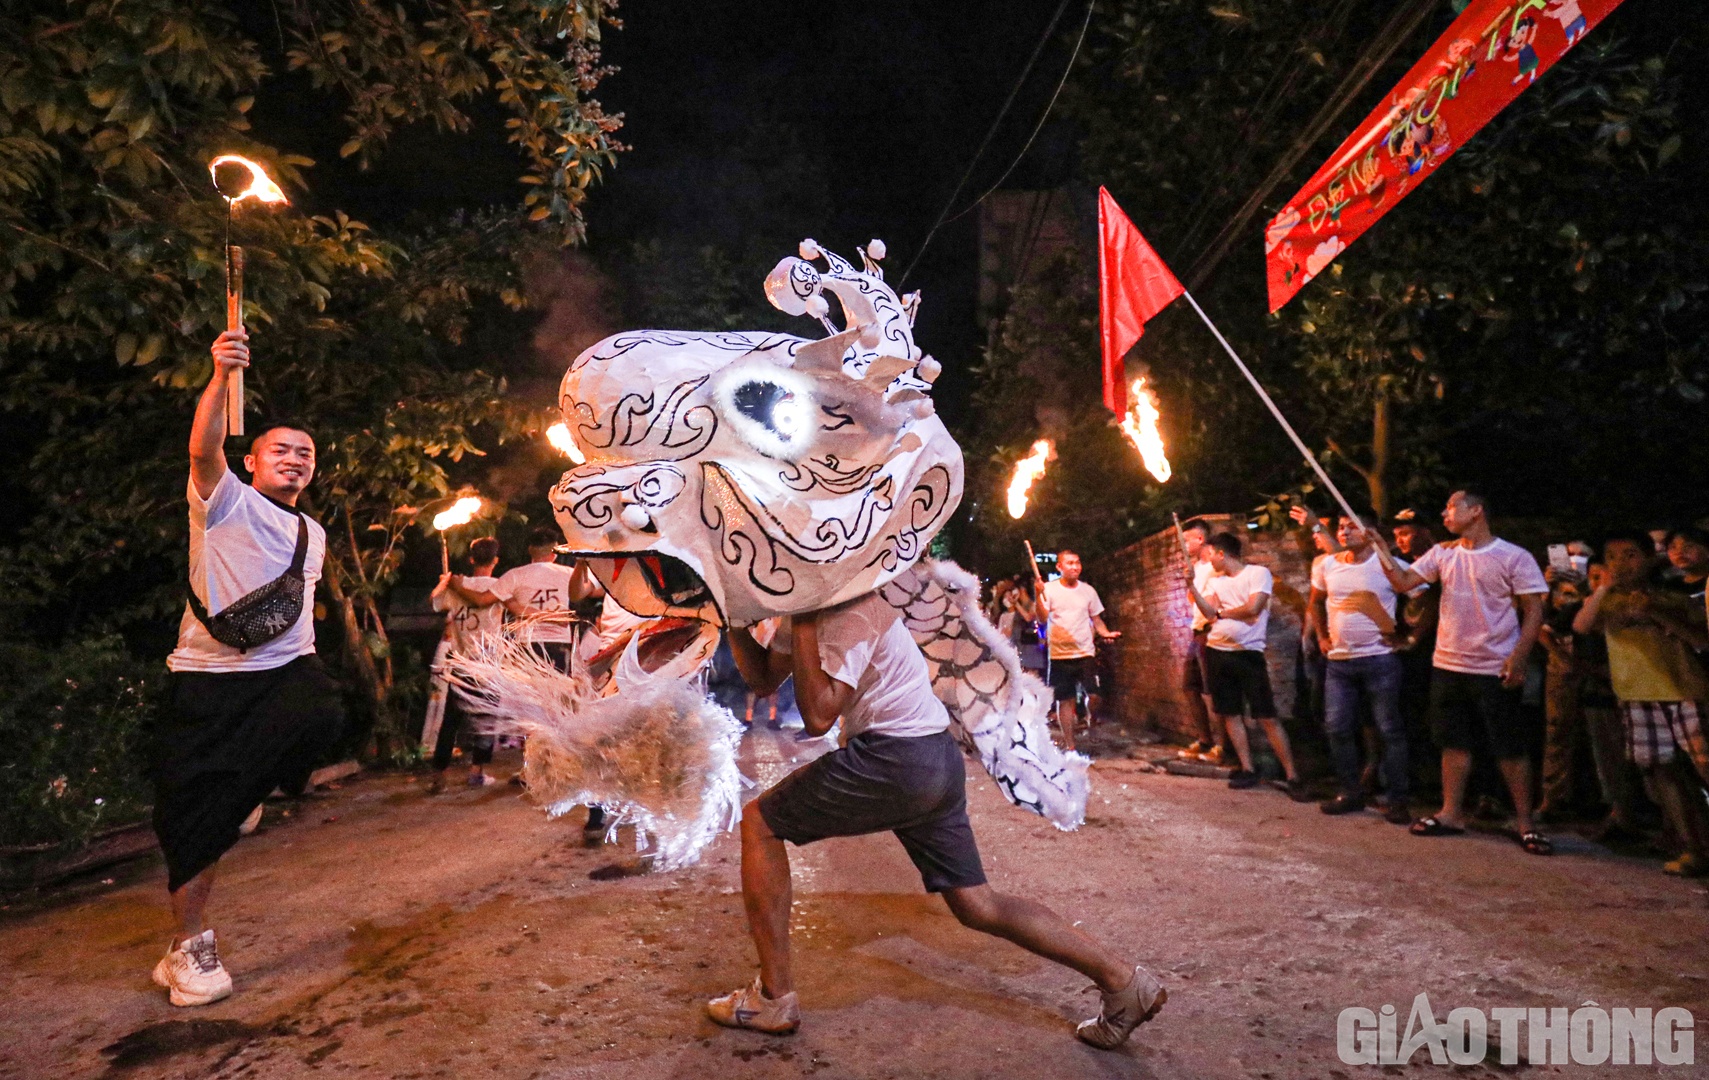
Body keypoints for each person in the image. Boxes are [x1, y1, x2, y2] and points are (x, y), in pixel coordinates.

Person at [711, 595, 1164, 1048]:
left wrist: (805, 616)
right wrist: (730, 618)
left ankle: (773, 998)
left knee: (760, 822)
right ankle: (1125, 981)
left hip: (895, 757)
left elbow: (818, 715)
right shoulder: (812, 604)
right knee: (978, 905)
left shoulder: (852, 608)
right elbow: (766, 679)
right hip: (931, 756)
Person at [150, 329, 344, 1007]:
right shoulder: (225, 500)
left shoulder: (310, 532)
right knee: (196, 828)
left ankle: (256, 783)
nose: (295, 459)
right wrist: (218, 373)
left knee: (325, 711)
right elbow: (203, 448)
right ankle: (188, 948)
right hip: (205, 684)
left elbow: (302, 612)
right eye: (281, 450)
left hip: (283, 675)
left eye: (306, 454)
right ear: (254, 460)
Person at [1373, 489, 1551, 855]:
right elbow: (1404, 583)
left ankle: (1525, 822)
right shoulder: (1443, 553)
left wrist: (1519, 657)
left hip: (1494, 664)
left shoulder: (1513, 556)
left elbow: (1534, 610)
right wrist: (1380, 549)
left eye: (1452, 506)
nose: (1444, 513)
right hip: (1448, 663)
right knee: (1453, 742)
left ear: (1476, 511)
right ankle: (1451, 812)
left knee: (1509, 747)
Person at [1574, 532, 1709, 876]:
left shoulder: (1675, 594)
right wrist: (1603, 587)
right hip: (1636, 695)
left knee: (1703, 769)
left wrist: (1657, 613)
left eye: (1631, 555)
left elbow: (1700, 639)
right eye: (1613, 556)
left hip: (1684, 691)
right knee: (1663, 773)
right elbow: (1581, 625)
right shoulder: (1606, 599)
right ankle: (1695, 849)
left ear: (1649, 558)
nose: (1621, 564)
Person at [1186, 532, 1307, 798]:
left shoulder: (1257, 573)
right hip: (1219, 651)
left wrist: (1222, 613)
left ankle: (1292, 774)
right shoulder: (1216, 581)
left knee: (1266, 715)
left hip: (1248, 653)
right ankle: (1247, 767)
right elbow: (1208, 613)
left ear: (1221, 553)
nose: (1208, 560)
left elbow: (1254, 608)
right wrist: (1194, 589)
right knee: (1230, 713)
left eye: (1210, 554)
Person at [1310, 511, 1412, 824]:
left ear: (1369, 531)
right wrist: (1321, 636)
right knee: (1337, 727)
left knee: (1389, 730)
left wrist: (1412, 637)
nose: (1343, 532)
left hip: (1380, 658)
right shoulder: (1326, 564)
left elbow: (1423, 593)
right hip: (1339, 663)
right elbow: (1315, 601)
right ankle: (1350, 792)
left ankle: (1398, 800)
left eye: (1350, 526)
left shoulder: (1387, 565)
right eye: (1340, 528)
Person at [1021, 550, 1120, 752]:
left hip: (1085, 652)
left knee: (1094, 694)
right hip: (1059, 654)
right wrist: (1038, 594)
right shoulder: (1048, 589)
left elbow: (1097, 619)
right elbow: (1041, 618)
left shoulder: (1088, 591)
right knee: (1064, 700)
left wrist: (1106, 633)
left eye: (1077, 562)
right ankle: (1070, 745)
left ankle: (1091, 721)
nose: (1074, 566)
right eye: (1069, 563)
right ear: (1059, 567)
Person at [428, 536, 503, 792]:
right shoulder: (500, 586)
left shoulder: (454, 585)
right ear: (495, 560)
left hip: (461, 663)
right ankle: (476, 771)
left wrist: (444, 583)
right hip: (489, 664)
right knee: (485, 719)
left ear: (471, 559)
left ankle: (439, 775)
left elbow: (434, 602)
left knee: (451, 720)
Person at [1176, 518, 1230, 765]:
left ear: (1200, 539)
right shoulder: (1196, 569)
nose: (1183, 544)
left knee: (1213, 690)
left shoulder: (1213, 568)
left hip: (1210, 631)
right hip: (1196, 631)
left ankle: (1223, 745)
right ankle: (1204, 738)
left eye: (1187, 539)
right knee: (1190, 687)